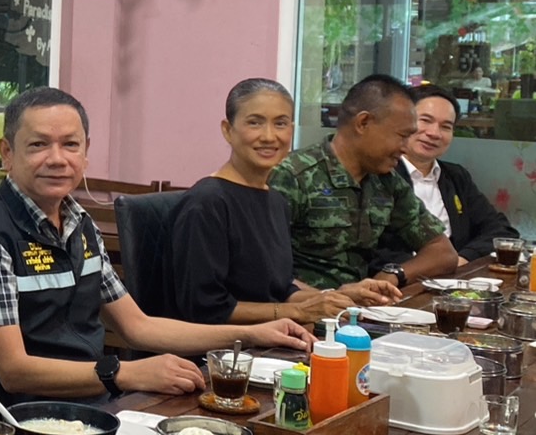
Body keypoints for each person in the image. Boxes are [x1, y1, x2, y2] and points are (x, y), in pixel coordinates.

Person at [0, 87, 312, 420]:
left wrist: (252, 333)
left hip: (89, 410)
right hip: (12, 429)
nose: (57, 158)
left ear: (86, 153)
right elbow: (13, 371)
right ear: (7, 153)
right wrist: (126, 373)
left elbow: (137, 326)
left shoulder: (79, 224)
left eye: (70, 145)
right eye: (38, 145)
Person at [171, 78, 401, 325]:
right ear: (228, 130)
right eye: (255, 122)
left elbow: (280, 289)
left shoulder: (275, 200)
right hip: (228, 345)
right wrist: (298, 312)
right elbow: (204, 308)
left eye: (280, 124)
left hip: (278, 335)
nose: (269, 136)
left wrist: (340, 297)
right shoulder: (206, 203)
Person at [270, 74, 459, 291]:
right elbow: (263, 269)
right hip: (300, 306)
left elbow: (443, 252)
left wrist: (394, 275)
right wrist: (327, 299)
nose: (405, 147)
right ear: (363, 123)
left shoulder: (386, 181)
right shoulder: (293, 176)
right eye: (401, 136)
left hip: (359, 305)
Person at [375, 84, 518, 267]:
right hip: (400, 279)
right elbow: (373, 249)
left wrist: (460, 260)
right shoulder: (380, 175)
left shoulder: (456, 177)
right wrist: (427, 268)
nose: (434, 133)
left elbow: (501, 231)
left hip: (456, 277)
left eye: (446, 126)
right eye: (425, 120)